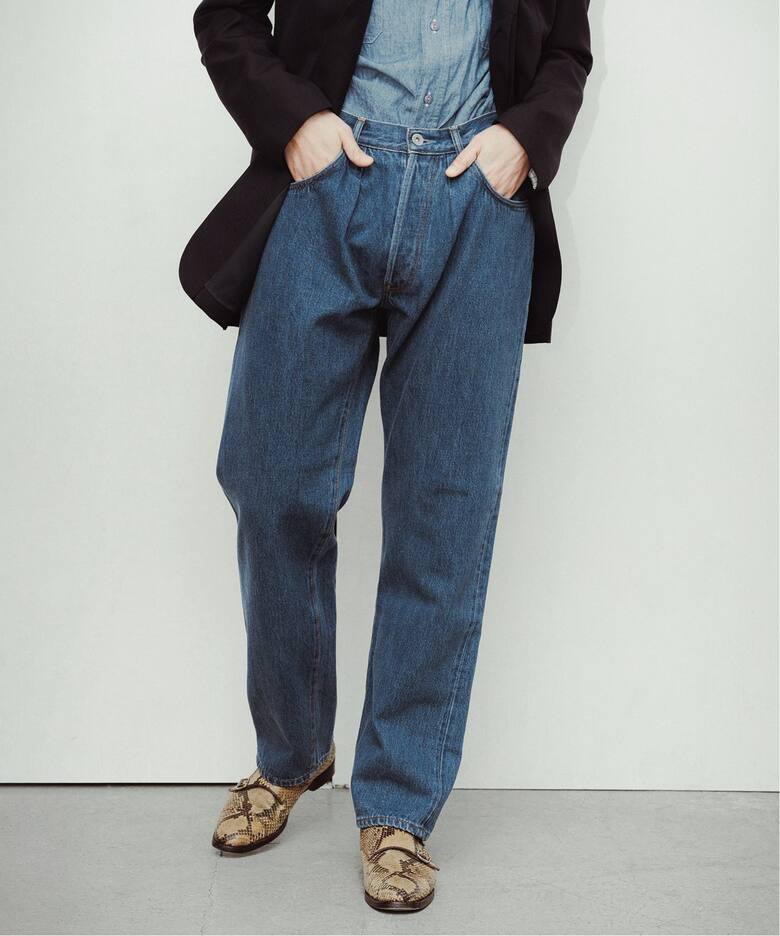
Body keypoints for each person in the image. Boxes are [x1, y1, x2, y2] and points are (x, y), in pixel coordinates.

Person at [181, 0, 591, 913]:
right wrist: (296, 122)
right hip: (330, 184)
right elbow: (228, 17)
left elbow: (567, 51)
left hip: (476, 199)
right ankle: (293, 751)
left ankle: (399, 807)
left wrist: (524, 140)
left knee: (445, 513)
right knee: (271, 482)